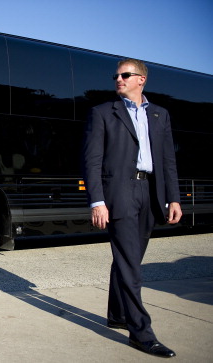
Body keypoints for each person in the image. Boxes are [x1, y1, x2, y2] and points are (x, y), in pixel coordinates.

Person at [83, 59, 182, 358]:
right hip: (120, 192)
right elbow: (92, 160)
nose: (118, 79)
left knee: (130, 257)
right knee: (130, 264)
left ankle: (117, 314)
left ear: (142, 80)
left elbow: (167, 160)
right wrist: (97, 201)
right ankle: (141, 333)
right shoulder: (102, 113)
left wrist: (173, 198)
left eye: (125, 75)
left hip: (150, 192)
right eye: (116, 75)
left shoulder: (159, 114)